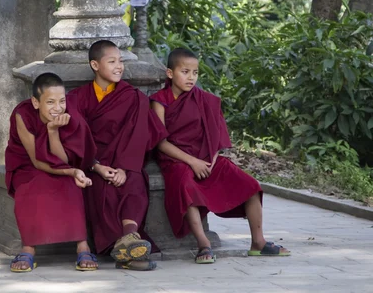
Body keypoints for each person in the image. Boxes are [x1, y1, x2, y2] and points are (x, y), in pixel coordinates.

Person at [150, 47, 291, 264]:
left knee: (250, 185)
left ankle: (258, 242)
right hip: (177, 161)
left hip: (207, 159)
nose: (191, 78)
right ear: (170, 73)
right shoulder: (160, 101)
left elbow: (216, 138)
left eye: (195, 73)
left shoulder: (205, 100)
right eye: (185, 72)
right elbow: (161, 142)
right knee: (185, 186)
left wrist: (210, 160)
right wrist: (193, 162)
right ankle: (203, 244)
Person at [67, 40, 168, 271]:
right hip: (93, 163)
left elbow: (140, 135)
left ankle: (129, 238)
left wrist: (124, 166)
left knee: (133, 182)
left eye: (120, 61)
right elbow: (74, 137)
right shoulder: (78, 98)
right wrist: (95, 166)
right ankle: (127, 250)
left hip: (125, 160)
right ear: (95, 64)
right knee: (103, 190)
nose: (119, 66)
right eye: (112, 61)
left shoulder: (133, 97)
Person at [5, 72, 99, 272]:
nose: (58, 108)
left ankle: (83, 246)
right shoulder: (22, 114)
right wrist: (72, 171)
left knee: (70, 184)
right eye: (50, 102)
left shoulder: (69, 114)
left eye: (62, 101)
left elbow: (63, 160)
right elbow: (37, 162)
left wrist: (53, 131)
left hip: (60, 164)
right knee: (31, 186)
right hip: (28, 165)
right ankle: (28, 248)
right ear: (36, 102)